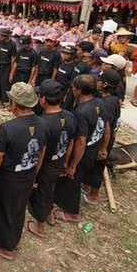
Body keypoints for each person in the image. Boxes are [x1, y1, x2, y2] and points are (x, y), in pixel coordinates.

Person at [0, 82, 47, 260]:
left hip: (8, 178)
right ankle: (14, 239)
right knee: (18, 209)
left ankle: (6, 247)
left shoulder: (7, 128)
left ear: (14, 103)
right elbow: (41, 154)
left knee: (3, 209)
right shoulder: (43, 124)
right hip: (27, 175)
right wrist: (33, 173)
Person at [53, 75, 110, 223]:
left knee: (72, 179)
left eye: (73, 88)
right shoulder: (100, 103)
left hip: (83, 153)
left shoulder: (81, 112)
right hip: (94, 148)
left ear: (78, 91)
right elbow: (106, 127)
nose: (72, 90)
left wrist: (72, 165)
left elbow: (80, 141)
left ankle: (72, 214)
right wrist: (103, 148)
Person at [27, 80, 76, 238]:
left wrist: (34, 174)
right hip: (59, 162)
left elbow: (40, 153)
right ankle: (49, 214)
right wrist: (66, 162)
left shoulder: (42, 123)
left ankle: (40, 226)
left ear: (43, 99)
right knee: (50, 189)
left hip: (45, 166)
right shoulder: (69, 116)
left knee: (41, 193)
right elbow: (71, 142)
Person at [81, 69, 121, 204]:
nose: (96, 82)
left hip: (105, 139)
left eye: (98, 80)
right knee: (94, 166)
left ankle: (94, 195)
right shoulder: (110, 98)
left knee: (98, 166)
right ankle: (87, 186)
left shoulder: (108, 103)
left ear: (104, 84)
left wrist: (103, 148)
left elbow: (106, 127)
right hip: (104, 138)